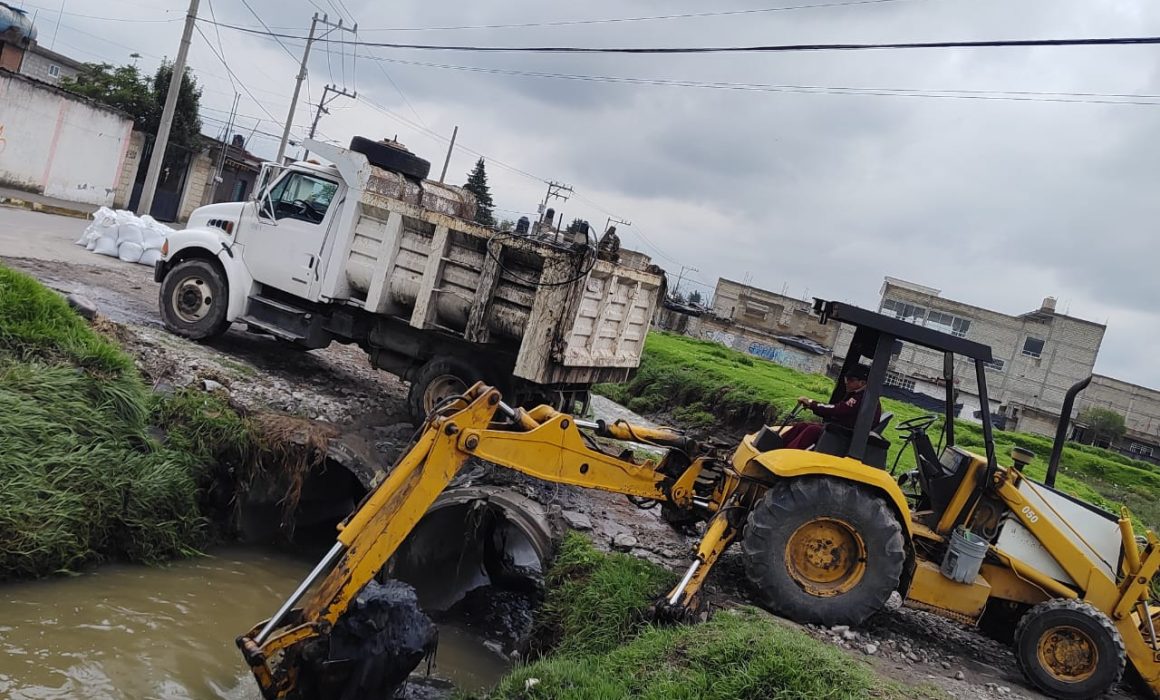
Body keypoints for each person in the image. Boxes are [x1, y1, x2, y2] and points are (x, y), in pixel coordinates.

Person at [779, 364, 882, 450]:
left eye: (850, 380)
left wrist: (812, 404)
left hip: (848, 435)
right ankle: (777, 447)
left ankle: (785, 455)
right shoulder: (859, 395)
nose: (846, 382)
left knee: (812, 430)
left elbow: (837, 409)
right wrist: (813, 405)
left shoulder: (861, 398)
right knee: (802, 425)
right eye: (846, 379)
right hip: (844, 429)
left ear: (862, 383)